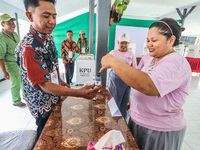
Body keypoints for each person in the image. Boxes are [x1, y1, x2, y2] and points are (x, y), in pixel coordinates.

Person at [99, 18, 192, 150]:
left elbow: (148, 85)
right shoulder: (150, 58)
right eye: (148, 40)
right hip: (138, 121)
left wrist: (114, 62)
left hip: (159, 130)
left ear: (171, 40)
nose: (149, 44)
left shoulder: (176, 63)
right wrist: (134, 100)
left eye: (154, 40)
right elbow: (139, 77)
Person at [16, 0, 101, 139]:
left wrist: (60, 80)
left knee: (57, 130)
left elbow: (49, 68)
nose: (52, 21)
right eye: (46, 16)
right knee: (45, 135)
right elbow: (44, 85)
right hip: (42, 103)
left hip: (54, 97)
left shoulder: (47, 37)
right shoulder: (29, 48)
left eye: (54, 16)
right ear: (30, 16)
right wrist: (79, 93)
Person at [108, 33, 137, 119]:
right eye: (121, 43)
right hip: (115, 82)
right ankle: (113, 121)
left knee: (125, 102)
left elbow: (134, 68)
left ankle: (123, 123)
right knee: (114, 102)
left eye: (126, 43)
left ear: (128, 43)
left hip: (127, 82)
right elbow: (106, 63)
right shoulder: (113, 52)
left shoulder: (131, 54)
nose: (123, 45)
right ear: (118, 43)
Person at [0, 14, 26, 107]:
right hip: (10, 64)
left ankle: (25, 96)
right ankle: (16, 100)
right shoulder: (1, 38)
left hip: (19, 61)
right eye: (9, 23)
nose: (12, 25)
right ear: (3, 24)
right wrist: (4, 71)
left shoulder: (14, 34)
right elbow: (1, 57)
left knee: (23, 79)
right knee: (16, 82)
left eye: (13, 23)